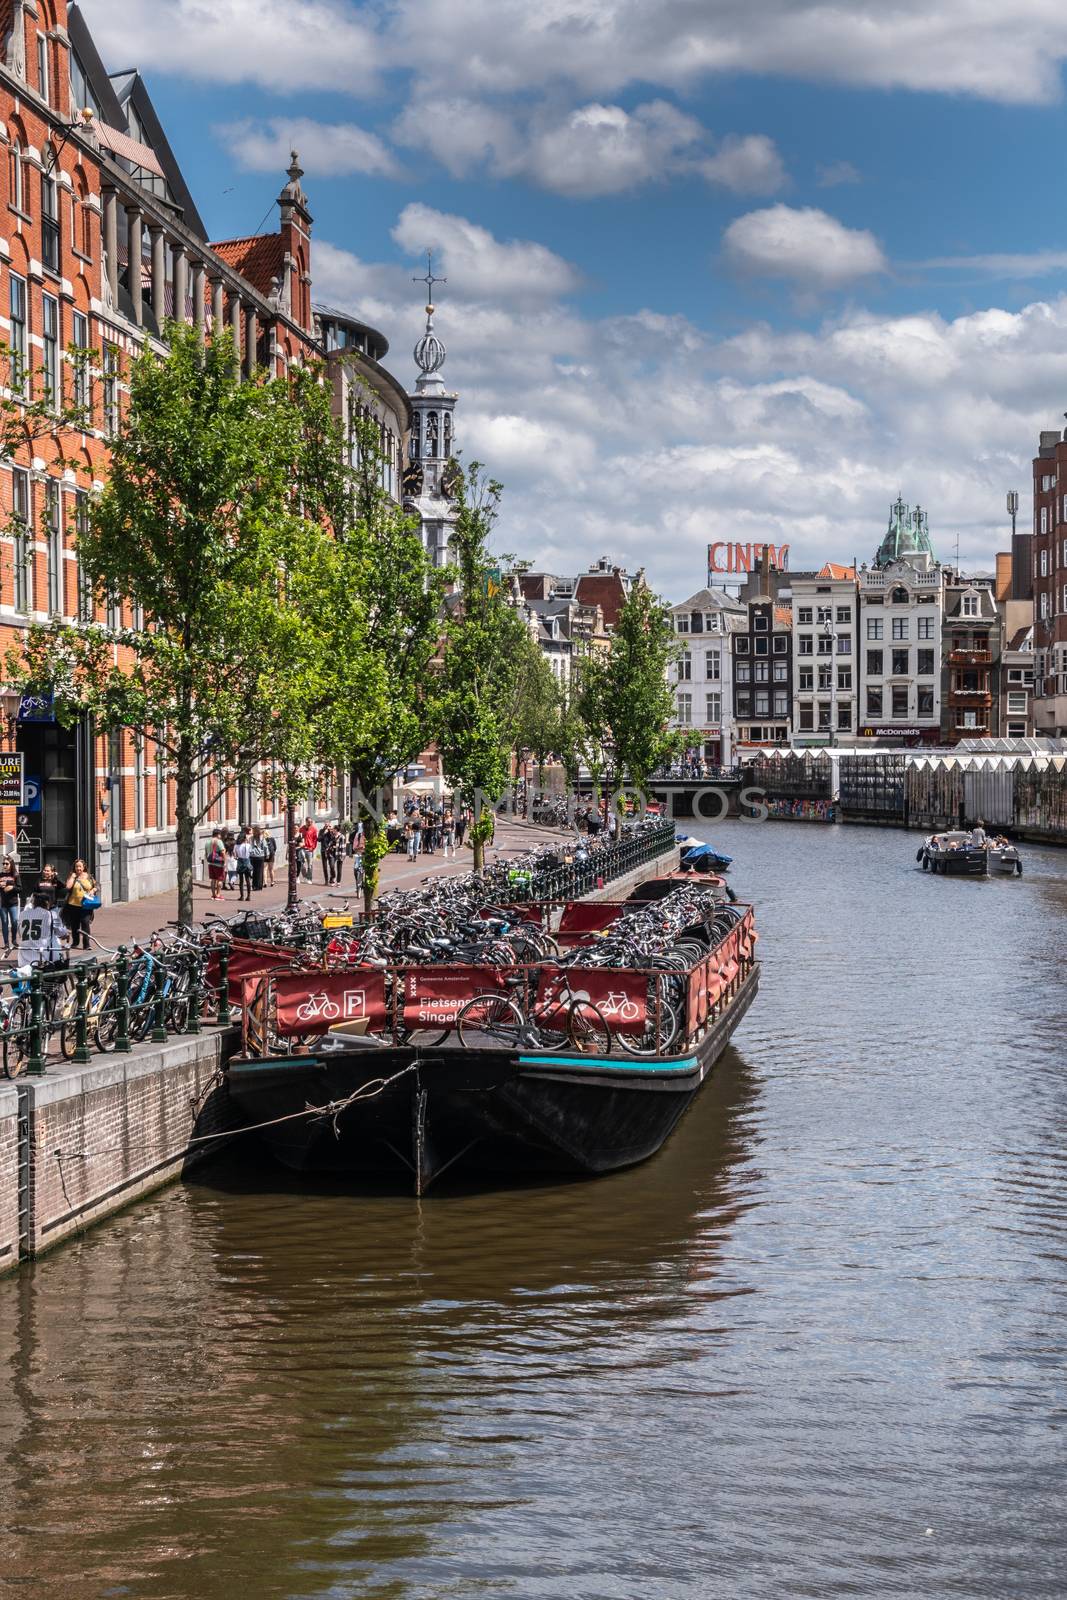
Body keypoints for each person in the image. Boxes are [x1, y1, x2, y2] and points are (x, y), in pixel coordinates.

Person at [18, 891, 68, 969]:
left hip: (24, 955)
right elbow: (61, 932)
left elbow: (20, 932)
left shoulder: (22, 914)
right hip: (42, 955)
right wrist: (66, 934)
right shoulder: (51, 914)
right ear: (47, 902)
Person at [63, 858, 98, 950]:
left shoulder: (89, 876)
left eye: (80, 866)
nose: (78, 868)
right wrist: (73, 877)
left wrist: (93, 890)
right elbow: (68, 887)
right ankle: (75, 942)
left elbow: (96, 886)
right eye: (76, 866)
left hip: (86, 905)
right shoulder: (72, 876)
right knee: (74, 925)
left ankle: (87, 944)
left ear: (84, 867)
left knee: (85, 923)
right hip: (73, 905)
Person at [0, 856, 21, 954]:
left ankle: (14, 940)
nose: (4, 865)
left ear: (11, 864)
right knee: (4, 922)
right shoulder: (0, 875)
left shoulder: (15, 875)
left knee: (15, 922)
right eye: (3, 864)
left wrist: (11, 887)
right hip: (3, 903)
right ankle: (6, 943)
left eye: (6, 863)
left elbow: (20, 889)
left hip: (13, 903)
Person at [204, 829, 227, 901]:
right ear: (218, 834)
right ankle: (218, 894)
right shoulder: (219, 841)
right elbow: (223, 852)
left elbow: (206, 853)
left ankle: (213, 895)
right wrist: (225, 861)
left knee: (213, 879)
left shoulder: (207, 842)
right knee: (220, 879)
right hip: (218, 863)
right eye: (220, 835)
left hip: (211, 863)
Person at [234, 829, 252, 901]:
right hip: (247, 861)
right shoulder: (248, 845)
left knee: (241, 881)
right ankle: (248, 896)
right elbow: (251, 853)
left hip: (240, 862)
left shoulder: (236, 846)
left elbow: (235, 855)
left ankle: (241, 896)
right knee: (247, 880)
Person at [249, 826, 267, 892]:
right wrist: (266, 854)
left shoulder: (251, 838)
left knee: (254, 871)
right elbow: (265, 846)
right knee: (260, 871)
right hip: (260, 856)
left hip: (253, 856)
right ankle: (259, 886)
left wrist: (250, 853)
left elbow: (250, 847)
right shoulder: (262, 838)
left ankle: (254, 885)